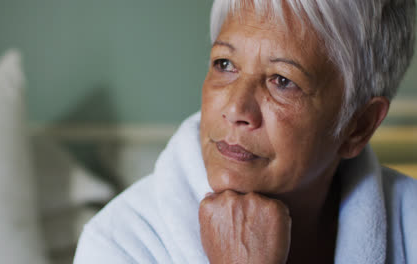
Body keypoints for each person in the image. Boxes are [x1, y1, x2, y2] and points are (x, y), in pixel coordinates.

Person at [74, 0, 417, 263]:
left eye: (282, 81)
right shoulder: (120, 244)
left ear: (359, 126)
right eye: (225, 64)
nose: (236, 109)